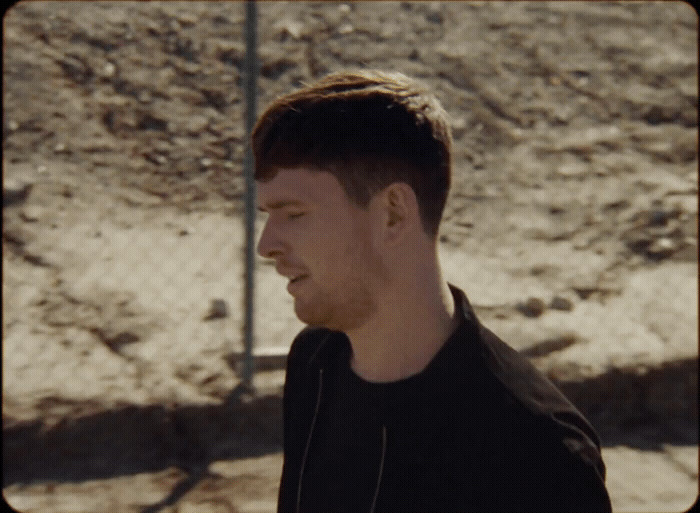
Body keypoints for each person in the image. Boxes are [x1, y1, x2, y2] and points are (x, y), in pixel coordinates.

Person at [252, 69, 612, 513]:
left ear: (393, 215)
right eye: (266, 215)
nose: (266, 245)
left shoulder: (538, 451)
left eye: (292, 214)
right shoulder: (315, 365)